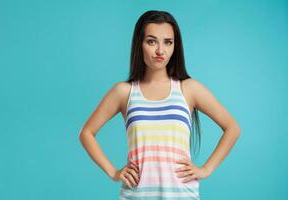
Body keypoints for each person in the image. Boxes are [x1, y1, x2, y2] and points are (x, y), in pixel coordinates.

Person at [79, 10, 241, 200]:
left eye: (168, 42)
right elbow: (86, 133)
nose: (160, 50)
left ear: (175, 46)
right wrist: (114, 172)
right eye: (151, 41)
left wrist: (206, 169)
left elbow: (232, 128)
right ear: (139, 44)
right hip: (136, 195)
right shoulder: (124, 92)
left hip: (182, 195)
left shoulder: (188, 89)